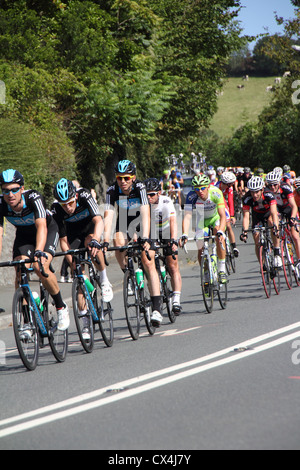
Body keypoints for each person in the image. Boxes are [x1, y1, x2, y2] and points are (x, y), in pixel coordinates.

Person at [0, 169, 70, 332]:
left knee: (40, 267)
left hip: (46, 231)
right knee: (20, 270)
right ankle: (26, 321)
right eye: (5, 190)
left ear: (22, 189)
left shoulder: (34, 198)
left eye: (14, 189)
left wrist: (39, 251)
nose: (10, 194)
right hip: (24, 235)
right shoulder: (2, 204)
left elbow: (42, 226)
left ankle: (61, 307)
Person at [104, 160, 163, 327]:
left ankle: (157, 308)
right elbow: (108, 215)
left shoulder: (140, 188)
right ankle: (129, 275)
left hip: (143, 222)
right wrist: (104, 240)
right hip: (124, 222)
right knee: (118, 240)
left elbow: (145, 212)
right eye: (119, 178)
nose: (123, 181)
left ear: (133, 177)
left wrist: (144, 237)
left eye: (126, 178)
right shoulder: (112, 190)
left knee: (147, 260)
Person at [51, 178, 113, 302]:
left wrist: (96, 239)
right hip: (73, 234)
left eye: (71, 202)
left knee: (90, 244)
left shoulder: (84, 195)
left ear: (76, 196)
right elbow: (63, 241)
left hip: (90, 228)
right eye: (64, 205)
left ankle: (104, 279)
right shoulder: (56, 209)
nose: (68, 207)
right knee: (79, 275)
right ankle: (83, 314)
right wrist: (72, 263)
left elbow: (98, 220)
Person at [179, 174, 228, 284]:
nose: (200, 191)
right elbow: (187, 216)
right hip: (201, 220)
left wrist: (221, 230)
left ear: (208, 187)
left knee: (219, 236)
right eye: (197, 189)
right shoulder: (191, 196)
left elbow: (222, 215)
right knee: (200, 246)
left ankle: (221, 269)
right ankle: (205, 272)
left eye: (202, 188)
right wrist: (184, 234)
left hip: (215, 218)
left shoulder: (216, 192)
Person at [144, 177, 182, 314]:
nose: (149, 197)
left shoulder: (166, 201)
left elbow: (173, 222)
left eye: (152, 194)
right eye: (146, 194)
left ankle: (176, 299)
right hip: (152, 232)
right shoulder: (143, 204)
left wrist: (173, 240)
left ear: (159, 193)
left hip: (166, 231)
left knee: (172, 264)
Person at [240, 176, 282, 267]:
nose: (254, 195)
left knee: (272, 223)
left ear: (262, 190)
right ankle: (263, 265)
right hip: (257, 216)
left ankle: (277, 252)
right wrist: (244, 232)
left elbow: (274, 213)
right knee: (257, 240)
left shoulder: (269, 194)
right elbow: (246, 217)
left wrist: (276, 228)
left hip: (269, 213)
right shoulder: (247, 198)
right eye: (252, 192)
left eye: (257, 192)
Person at [265, 171, 300, 260]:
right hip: (277, 210)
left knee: (295, 236)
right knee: (271, 221)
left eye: (275, 185)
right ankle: (277, 250)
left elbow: (294, 206)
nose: (272, 187)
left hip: (289, 209)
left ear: (279, 183)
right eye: (270, 185)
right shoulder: (267, 191)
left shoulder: (285, 188)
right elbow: (272, 211)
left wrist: (292, 217)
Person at [215, 171, 239, 257]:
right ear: (227, 183)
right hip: (216, 204)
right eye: (231, 184)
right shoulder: (216, 187)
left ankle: (234, 246)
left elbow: (230, 201)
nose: (232, 185)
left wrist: (232, 215)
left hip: (223, 203)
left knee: (228, 225)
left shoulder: (230, 188)